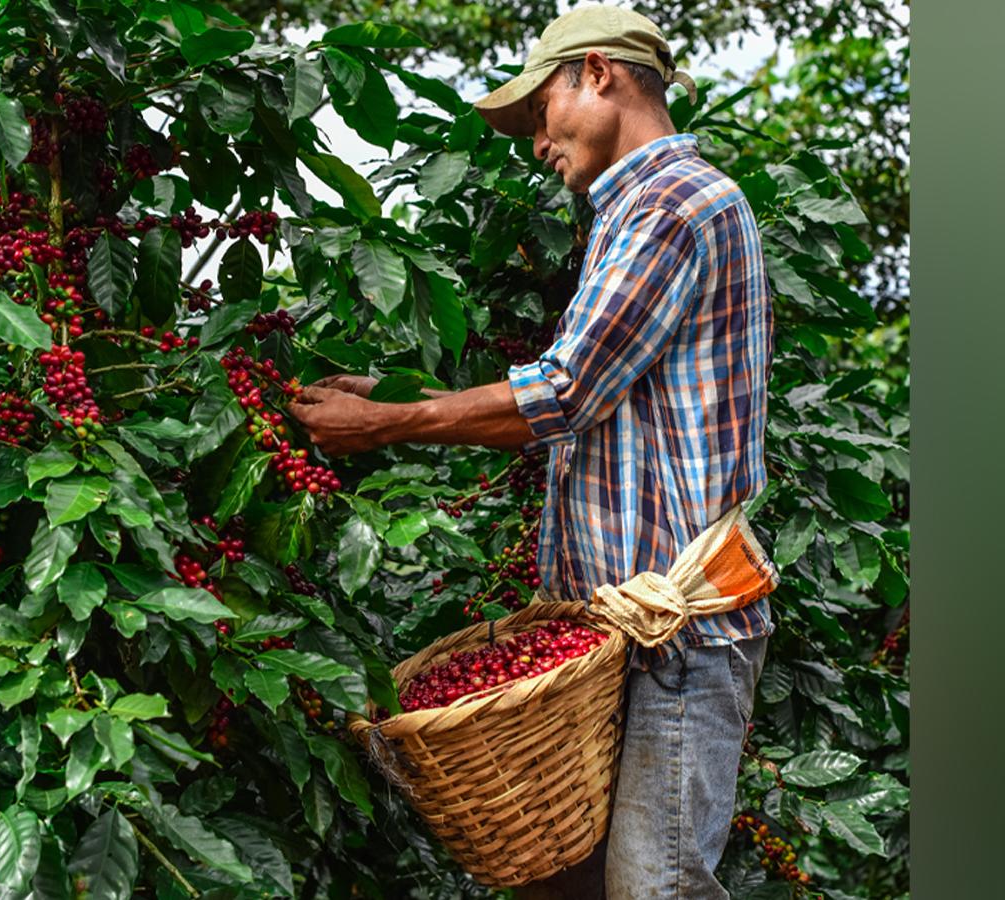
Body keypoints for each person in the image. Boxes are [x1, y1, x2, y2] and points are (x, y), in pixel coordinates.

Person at [288, 5, 774, 898]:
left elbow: (563, 392)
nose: (536, 141)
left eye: (538, 109)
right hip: (612, 636)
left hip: (678, 634)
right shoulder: (635, 211)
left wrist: (387, 425)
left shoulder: (669, 206)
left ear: (598, 73)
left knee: (654, 885)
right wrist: (399, 400)